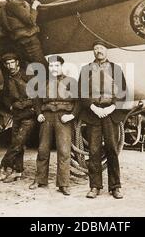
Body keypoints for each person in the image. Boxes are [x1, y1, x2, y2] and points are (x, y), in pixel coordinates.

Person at [78, 40, 127, 199]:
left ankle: (115, 186)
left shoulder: (116, 69)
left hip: (110, 114)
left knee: (112, 150)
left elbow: (123, 93)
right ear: (93, 51)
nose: (98, 51)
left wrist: (111, 107)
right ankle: (94, 186)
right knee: (93, 151)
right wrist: (94, 108)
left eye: (101, 48)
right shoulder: (86, 70)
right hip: (94, 114)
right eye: (96, 48)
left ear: (107, 50)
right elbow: (81, 93)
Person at [29, 55, 79, 195]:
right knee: (43, 149)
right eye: (51, 66)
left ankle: (64, 184)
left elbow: (79, 101)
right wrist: (39, 113)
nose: (54, 68)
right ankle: (40, 180)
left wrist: (72, 115)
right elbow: (36, 100)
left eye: (56, 66)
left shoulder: (71, 82)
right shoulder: (43, 82)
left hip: (64, 117)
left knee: (64, 151)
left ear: (61, 66)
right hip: (47, 117)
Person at [0, 53, 37, 183]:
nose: (10, 66)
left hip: (29, 113)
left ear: (17, 63)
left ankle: (4, 165)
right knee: (17, 143)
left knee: (18, 142)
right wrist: (10, 106)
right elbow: (4, 96)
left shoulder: (27, 75)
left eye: (12, 62)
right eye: (7, 63)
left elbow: (38, 93)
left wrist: (33, 106)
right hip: (16, 114)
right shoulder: (7, 78)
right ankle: (17, 171)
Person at [6, 0, 47, 67]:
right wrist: (34, 6)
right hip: (28, 40)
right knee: (41, 66)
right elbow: (30, 20)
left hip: (27, 39)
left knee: (37, 66)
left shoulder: (18, 1)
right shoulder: (14, 4)